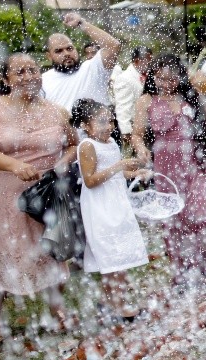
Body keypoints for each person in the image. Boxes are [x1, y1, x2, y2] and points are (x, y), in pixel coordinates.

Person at [0, 53, 78, 345]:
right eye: (19, 72)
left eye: (33, 70)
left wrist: (63, 163)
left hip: (45, 194)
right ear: (6, 79)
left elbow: (73, 144)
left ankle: (57, 312)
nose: (28, 76)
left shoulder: (56, 111)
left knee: (52, 251)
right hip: (4, 193)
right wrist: (14, 165)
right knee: (2, 256)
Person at [131, 54, 206, 289]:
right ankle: (180, 272)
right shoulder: (146, 101)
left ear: (181, 77)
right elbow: (137, 134)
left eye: (171, 79)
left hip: (195, 163)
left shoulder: (190, 97)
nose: (166, 84)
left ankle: (202, 268)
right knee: (175, 221)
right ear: (153, 77)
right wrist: (140, 150)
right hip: (166, 168)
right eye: (161, 78)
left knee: (202, 216)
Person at [70, 99, 149, 323]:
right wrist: (118, 166)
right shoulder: (87, 146)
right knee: (111, 258)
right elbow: (91, 180)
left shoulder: (112, 142)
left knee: (121, 255)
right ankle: (117, 305)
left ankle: (111, 302)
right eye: (102, 122)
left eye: (111, 121)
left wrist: (135, 174)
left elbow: (116, 175)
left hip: (117, 203)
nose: (110, 126)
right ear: (86, 125)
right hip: (100, 208)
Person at [42, 13, 121, 113]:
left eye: (69, 48)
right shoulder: (43, 80)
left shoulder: (93, 68)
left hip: (99, 127)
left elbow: (113, 46)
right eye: (59, 51)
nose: (66, 53)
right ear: (49, 56)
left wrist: (82, 24)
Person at [113, 47, 153, 146]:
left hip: (146, 127)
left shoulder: (148, 75)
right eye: (148, 60)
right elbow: (122, 106)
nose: (151, 63)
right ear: (137, 61)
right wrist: (126, 131)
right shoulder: (125, 78)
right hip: (132, 128)